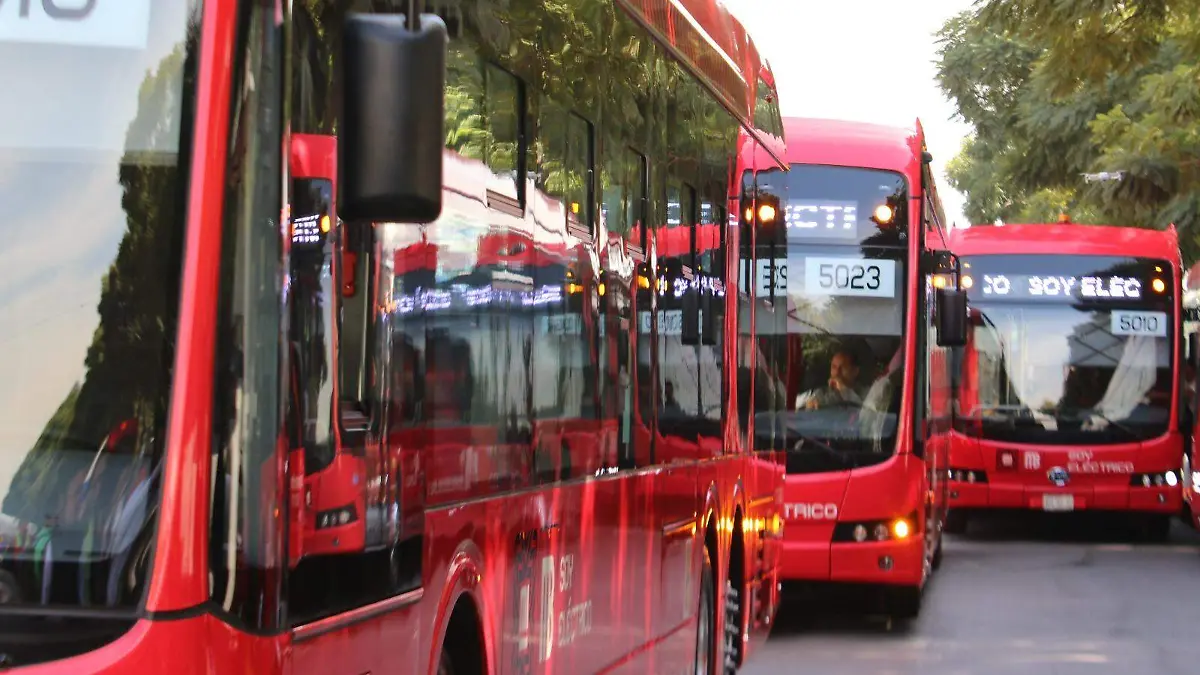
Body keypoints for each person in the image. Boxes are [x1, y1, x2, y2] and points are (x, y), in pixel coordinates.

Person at [795, 349, 867, 410]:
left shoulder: (866, 393)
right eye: (834, 367)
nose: (837, 372)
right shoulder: (821, 392)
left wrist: (843, 389)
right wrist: (808, 406)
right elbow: (793, 403)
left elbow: (865, 410)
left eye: (843, 368)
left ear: (855, 371)